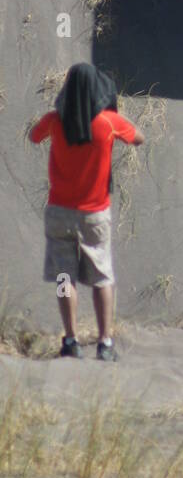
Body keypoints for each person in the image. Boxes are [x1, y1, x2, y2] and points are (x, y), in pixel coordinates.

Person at [28, 63, 144, 361]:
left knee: (66, 278)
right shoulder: (107, 122)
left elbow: (34, 136)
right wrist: (112, 108)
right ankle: (105, 343)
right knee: (102, 276)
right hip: (94, 214)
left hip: (59, 212)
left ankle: (70, 340)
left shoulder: (55, 121)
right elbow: (139, 137)